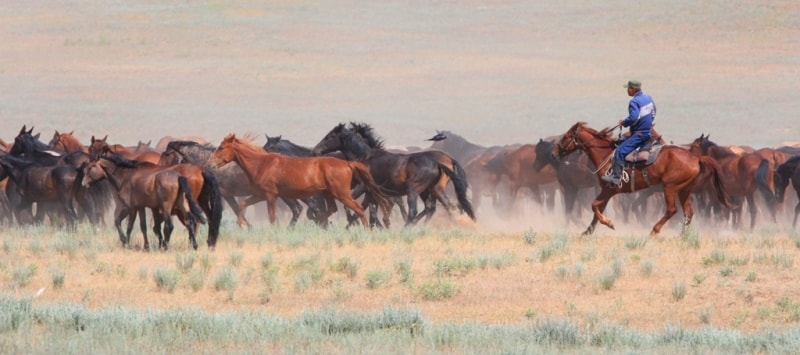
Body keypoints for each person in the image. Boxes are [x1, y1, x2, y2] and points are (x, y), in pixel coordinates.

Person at [601, 80, 657, 185]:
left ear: (633, 89)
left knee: (619, 151)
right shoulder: (648, 98)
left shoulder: (634, 102)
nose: (627, 90)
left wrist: (624, 122)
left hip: (639, 134)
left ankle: (616, 177)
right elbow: (654, 112)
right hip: (647, 132)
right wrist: (647, 123)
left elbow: (634, 117)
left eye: (628, 88)